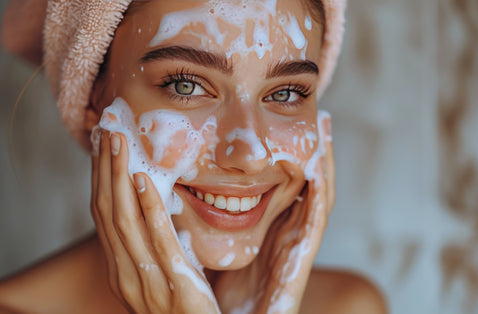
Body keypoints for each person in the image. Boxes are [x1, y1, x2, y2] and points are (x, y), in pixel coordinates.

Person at [0, 0, 387, 313]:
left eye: (285, 93)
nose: (249, 155)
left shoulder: (349, 307)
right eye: (186, 86)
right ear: (94, 102)